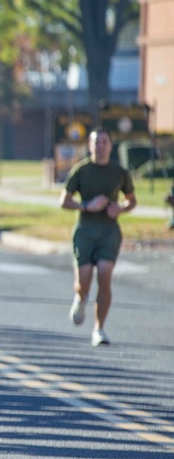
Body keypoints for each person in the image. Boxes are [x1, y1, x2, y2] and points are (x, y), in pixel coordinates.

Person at [59, 127, 137, 346]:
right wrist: (86, 206)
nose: (100, 146)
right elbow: (63, 201)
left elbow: (131, 200)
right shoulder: (81, 170)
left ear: (111, 146)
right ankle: (81, 297)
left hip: (109, 231)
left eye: (105, 142)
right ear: (90, 146)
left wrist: (121, 208)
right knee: (83, 280)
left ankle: (99, 329)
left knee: (104, 275)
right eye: (96, 142)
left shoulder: (119, 172)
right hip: (85, 230)